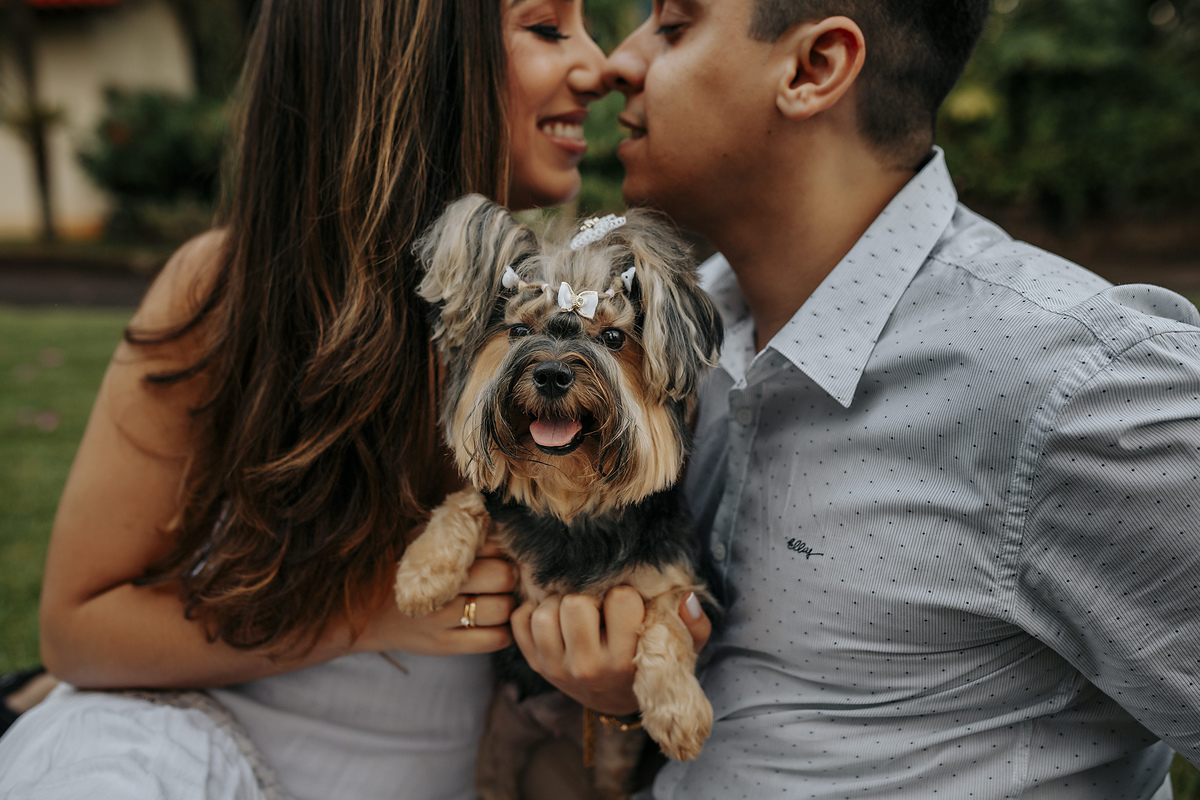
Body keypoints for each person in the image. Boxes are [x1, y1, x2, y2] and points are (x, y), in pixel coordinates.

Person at [511, 1, 1200, 798]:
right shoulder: (676, 339)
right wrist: (618, 703)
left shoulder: (1077, 387)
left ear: (814, 70)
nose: (611, 67)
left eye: (671, 26)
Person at [0, 0, 608, 798]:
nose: (600, 66)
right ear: (414, 64)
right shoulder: (230, 294)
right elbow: (78, 627)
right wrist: (368, 616)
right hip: (197, 741)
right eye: (546, 29)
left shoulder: (573, 331)